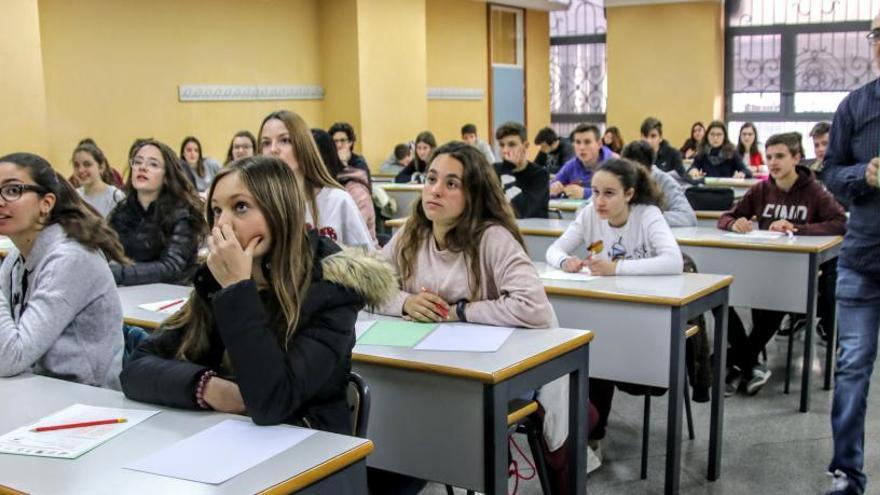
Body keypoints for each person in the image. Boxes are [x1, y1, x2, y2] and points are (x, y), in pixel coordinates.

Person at [120, 155, 395, 432]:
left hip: (310, 447)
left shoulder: (330, 289)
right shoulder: (216, 279)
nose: (222, 225)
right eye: (216, 210)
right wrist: (207, 387)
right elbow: (136, 368)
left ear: (280, 212)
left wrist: (238, 289)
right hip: (231, 438)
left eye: (240, 207)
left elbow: (271, 403)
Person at [378, 141, 573, 492]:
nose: (435, 190)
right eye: (431, 178)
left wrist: (460, 311)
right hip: (430, 364)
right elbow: (366, 286)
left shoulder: (491, 238)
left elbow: (534, 307)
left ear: (473, 194)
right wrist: (404, 303)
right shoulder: (411, 233)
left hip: (499, 372)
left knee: (425, 420)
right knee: (389, 412)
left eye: (451, 184)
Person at [545, 158, 683, 453]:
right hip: (608, 310)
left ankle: (593, 431)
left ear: (629, 194)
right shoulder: (588, 214)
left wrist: (616, 269)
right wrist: (565, 260)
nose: (599, 201)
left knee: (605, 349)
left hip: (648, 312)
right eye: (594, 192)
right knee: (594, 346)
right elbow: (553, 249)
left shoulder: (648, 215)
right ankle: (591, 435)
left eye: (609, 193)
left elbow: (674, 260)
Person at [717, 132, 845, 397]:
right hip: (762, 266)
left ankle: (738, 361)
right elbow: (727, 216)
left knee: (778, 298)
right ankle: (750, 363)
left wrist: (797, 229)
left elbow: (840, 222)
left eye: (780, 156)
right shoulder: (761, 189)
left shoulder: (813, 191)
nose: (773, 163)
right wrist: (734, 223)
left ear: (797, 158)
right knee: (720, 300)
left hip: (797, 274)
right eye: (769, 157)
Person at [0, 152, 126, 388]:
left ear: (46, 203)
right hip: (36, 389)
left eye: (13, 190)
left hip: (86, 404)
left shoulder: (71, 258)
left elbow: (10, 357)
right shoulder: (15, 259)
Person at [822, 14, 880, 493]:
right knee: (852, 369)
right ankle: (847, 472)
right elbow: (830, 174)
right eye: (878, 35)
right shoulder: (855, 107)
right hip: (862, 261)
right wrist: (865, 176)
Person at [260, 110, 373, 248]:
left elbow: (366, 261)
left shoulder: (337, 201)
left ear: (303, 146)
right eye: (266, 143)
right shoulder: (259, 204)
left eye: (285, 140)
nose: (273, 149)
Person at [109, 139, 207, 286]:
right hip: (131, 292)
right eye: (138, 162)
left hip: (173, 294)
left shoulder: (183, 213)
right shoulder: (122, 211)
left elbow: (171, 268)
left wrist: (116, 273)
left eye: (153, 164)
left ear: (166, 175)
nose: (142, 168)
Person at [312, 128, 377, 246]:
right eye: (335, 141)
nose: (339, 145)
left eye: (342, 140)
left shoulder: (353, 190)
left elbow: (360, 247)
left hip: (356, 258)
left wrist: (344, 164)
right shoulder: (304, 193)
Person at [621, 140, 696, 227]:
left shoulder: (665, 182)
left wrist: (649, 217)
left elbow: (688, 217)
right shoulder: (619, 178)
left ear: (649, 169)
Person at [492, 122, 549, 219]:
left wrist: (508, 168)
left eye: (512, 144)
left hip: (531, 231)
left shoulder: (540, 175)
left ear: (525, 146)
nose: (505, 150)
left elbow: (522, 211)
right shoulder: (492, 170)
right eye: (501, 145)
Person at [550, 123, 614, 199]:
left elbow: (619, 194)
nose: (582, 147)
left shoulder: (613, 164)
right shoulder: (571, 165)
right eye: (577, 142)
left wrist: (585, 193)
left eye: (587, 142)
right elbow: (549, 186)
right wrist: (553, 188)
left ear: (599, 144)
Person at [71, 142, 126, 217]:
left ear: (101, 167)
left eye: (87, 164)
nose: (81, 170)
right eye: (76, 165)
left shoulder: (115, 197)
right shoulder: (74, 197)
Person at [640, 116, 699, 185]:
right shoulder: (635, 155)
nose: (648, 141)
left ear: (661, 138)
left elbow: (684, 179)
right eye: (645, 137)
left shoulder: (673, 155)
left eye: (653, 136)